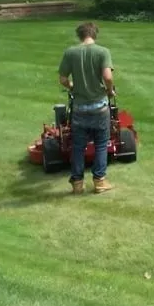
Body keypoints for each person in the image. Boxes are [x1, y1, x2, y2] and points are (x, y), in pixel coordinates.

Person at [58, 21, 115, 194]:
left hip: (80, 109)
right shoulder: (103, 52)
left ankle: (77, 184)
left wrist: (72, 86)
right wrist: (109, 90)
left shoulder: (70, 52)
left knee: (78, 146)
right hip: (99, 107)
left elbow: (62, 79)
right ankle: (99, 182)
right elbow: (107, 76)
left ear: (80, 35)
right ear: (94, 34)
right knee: (100, 144)